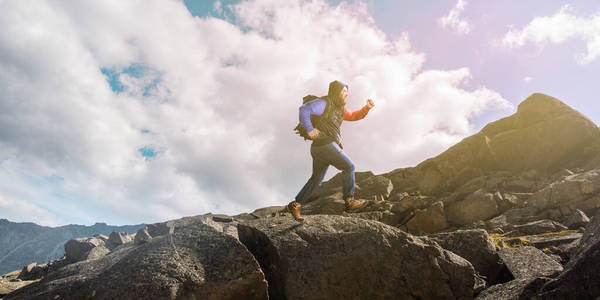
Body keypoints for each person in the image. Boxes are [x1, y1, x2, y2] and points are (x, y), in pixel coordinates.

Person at [288, 80, 374, 221]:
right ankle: (349, 201)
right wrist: (309, 129)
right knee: (349, 166)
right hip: (325, 144)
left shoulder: (340, 109)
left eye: (347, 91)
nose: (346, 94)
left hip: (319, 149)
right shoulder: (324, 103)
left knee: (316, 178)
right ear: (336, 91)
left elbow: (353, 116)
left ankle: (296, 204)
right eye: (344, 91)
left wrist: (367, 108)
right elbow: (304, 109)